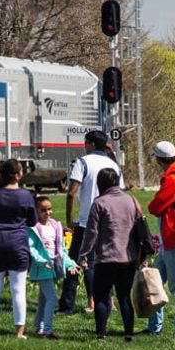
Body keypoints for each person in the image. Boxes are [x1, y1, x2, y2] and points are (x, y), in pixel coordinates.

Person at [59, 130, 123, 315]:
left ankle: (68, 304)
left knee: (74, 262)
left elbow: (72, 192)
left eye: (85, 143)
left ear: (92, 144)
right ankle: (106, 301)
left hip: (86, 221)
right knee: (104, 263)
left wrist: (70, 219)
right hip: (110, 221)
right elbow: (121, 192)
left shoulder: (83, 162)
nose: (84, 147)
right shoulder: (113, 165)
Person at [141, 141, 175, 337]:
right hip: (171, 237)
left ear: (159, 159)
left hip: (174, 236)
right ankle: (155, 327)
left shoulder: (173, 179)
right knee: (156, 281)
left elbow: (155, 207)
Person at [79, 167, 139, 342]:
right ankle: (128, 334)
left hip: (106, 258)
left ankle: (101, 334)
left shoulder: (99, 203)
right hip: (128, 257)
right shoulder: (130, 200)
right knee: (124, 297)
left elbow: (91, 233)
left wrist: (84, 253)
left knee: (101, 297)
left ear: (100, 183)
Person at [0, 159, 37, 339]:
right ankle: (19, 331)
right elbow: (33, 221)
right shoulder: (26, 196)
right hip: (18, 243)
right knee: (18, 289)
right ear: (19, 174)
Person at [28, 196, 78, 339]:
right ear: (36, 211)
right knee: (52, 297)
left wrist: (70, 264)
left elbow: (61, 250)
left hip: (53, 266)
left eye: (49, 209)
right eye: (43, 210)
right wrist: (41, 260)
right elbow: (31, 248)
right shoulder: (34, 228)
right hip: (42, 268)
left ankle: (39, 327)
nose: (47, 213)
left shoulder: (55, 226)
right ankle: (47, 330)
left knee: (44, 298)